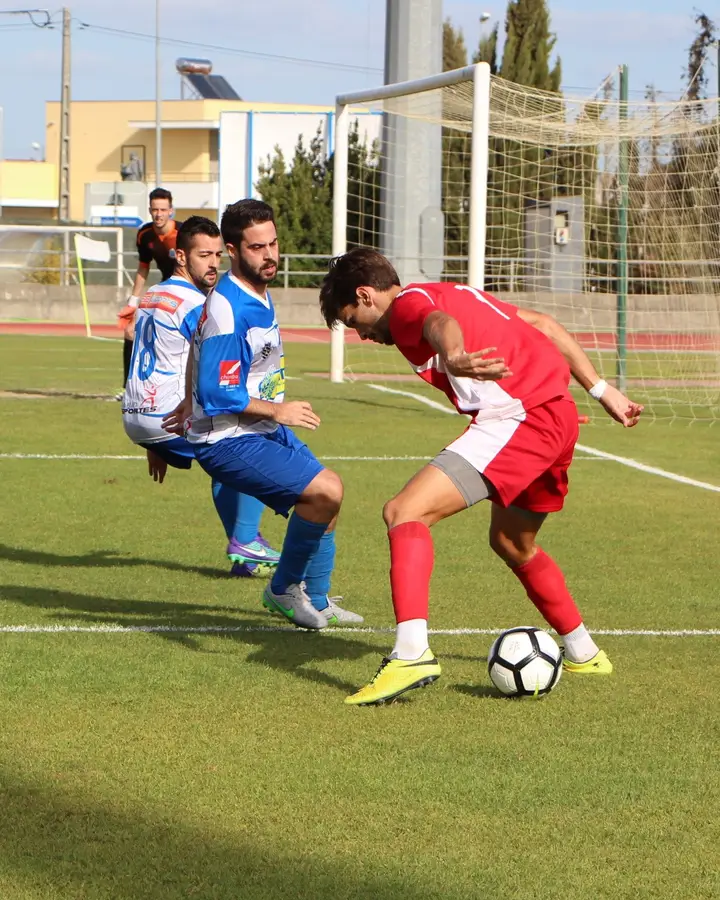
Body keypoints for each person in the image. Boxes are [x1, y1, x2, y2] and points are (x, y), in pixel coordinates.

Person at [319, 248, 644, 706]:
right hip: (558, 415)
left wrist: (451, 353)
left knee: (403, 511)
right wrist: (600, 389)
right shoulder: (449, 290)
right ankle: (584, 651)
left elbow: (435, 324)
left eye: (355, 322)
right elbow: (545, 326)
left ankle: (411, 654)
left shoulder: (408, 306)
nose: (364, 335)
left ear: (366, 295)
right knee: (513, 542)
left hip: (521, 419)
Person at [185, 199, 363, 628]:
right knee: (327, 488)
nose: (269, 255)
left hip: (257, 427)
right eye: (256, 247)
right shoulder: (229, 307)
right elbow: (216, 391)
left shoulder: (256, 296)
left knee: (329, 500)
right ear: (232, 250)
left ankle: (316, 599)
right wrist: (277, 409)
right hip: (226, 438)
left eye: (274, 244)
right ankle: (282, 589)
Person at [122, 215, 281, 577]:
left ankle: (245, 553)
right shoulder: (198, 304)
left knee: (224, 459)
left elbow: (132, 346)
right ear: (180, 257)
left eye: (216, 256)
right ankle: (245, 541)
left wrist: (152, 438)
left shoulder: (152, 295)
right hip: (168, 414)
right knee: (251, 440)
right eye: (203, 255)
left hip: (136, 412)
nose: (212, 264)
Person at [116, 188, 183, 401]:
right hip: (165, 291)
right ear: (149, 210)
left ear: (171, 210)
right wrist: (133, 302)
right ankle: (129, 389)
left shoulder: (184, 234)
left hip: (188, 293)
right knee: (130, 332)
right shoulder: (144, 235)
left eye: (163, 209)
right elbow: (143, 267)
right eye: (155, 209)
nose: (159, 214)